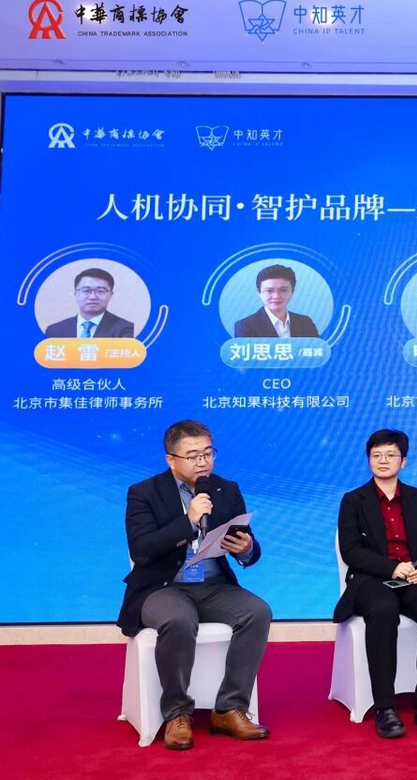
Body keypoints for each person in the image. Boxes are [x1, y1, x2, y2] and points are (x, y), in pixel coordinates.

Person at [118, 420, 271, 750]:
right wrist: (187, 520)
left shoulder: (226, 489)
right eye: (192, 456)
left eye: (208, 453)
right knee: (178, 619)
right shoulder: (144, 493)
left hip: (214, 585)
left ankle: (229, 709)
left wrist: (246, 549)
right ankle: (177, 713)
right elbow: (141, 549)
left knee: (258, 612)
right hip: (162, 588)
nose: (203, 462)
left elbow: (247, 543)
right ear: (170, 459)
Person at [333, 429, 417, 739]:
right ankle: (385, 707)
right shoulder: (353, 500)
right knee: (383, 610)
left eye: (390, 455)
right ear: (368, 460)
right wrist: (392, 568)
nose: (383, 460)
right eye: (376, 455)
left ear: (403, 461)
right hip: (371, 579)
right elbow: (351, 551)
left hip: (413, 575)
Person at [45, 267, 136, 338]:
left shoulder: (125, 330)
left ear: (111, 295)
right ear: (75, 294)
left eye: (100, 291)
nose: (92, 297)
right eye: (86, 290)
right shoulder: (55, 331)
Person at [233, 264, 320, 338]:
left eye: (284, 290)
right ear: (259, 293)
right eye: (269, 291)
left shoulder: (306, 323)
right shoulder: (245, 326)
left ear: (292, 292)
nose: (276, 296)